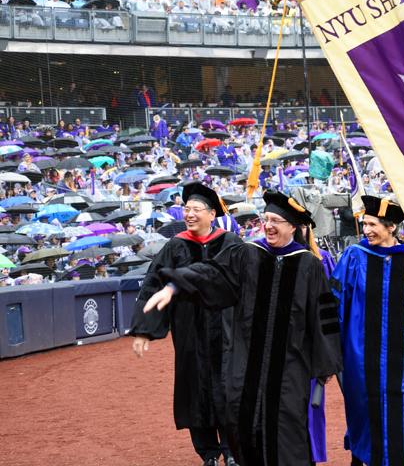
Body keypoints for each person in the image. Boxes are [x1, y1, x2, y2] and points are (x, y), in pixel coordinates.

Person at [142, 189, 343, 466]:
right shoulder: (247, 254)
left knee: (288, 433)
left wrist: (325, 364)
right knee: (246, 430)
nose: (268, 225)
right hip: (247, 366)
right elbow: (213, 273)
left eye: (276, 221)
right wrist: (176, 285)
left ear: (293, 227)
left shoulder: (309, 265)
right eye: (266, 219)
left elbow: (322, 317)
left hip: (289, 370)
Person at [331, 195, 404, 466]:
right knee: (364, 419)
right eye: (366, 223)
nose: (368, 230)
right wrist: (332, 348)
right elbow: (334, 304)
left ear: (391, 227)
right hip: (361, 360)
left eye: (373, 224)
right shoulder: (354, 258)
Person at [130, 182, 243, 466]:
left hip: (229, 331)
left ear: (212, 213)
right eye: (186, 209)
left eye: (195, 209)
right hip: (190, 332)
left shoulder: (231, 244)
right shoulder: (176, 245)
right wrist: (144, 329)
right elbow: (152, 286)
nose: (189, 214)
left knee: (230, 386)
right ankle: (208, 453)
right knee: (195, 387)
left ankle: (231, 449)